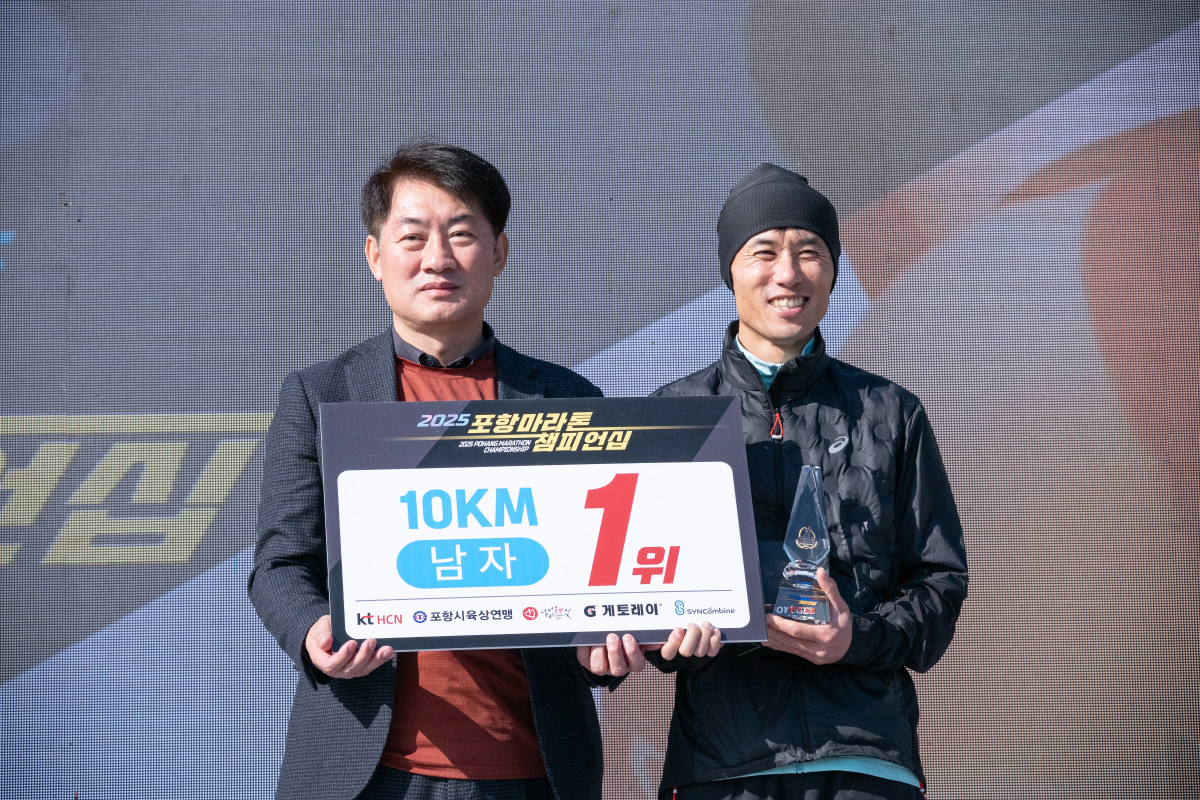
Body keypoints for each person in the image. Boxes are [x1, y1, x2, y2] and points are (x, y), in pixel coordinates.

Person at [248, 142, 717, 800]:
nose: (438, 258)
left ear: (499, 252)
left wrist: (609, 650)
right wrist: (312, 630)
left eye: (462, 234)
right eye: (412, 237)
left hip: (533, 773)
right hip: (366, 772)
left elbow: (603, 584)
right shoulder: (322, 397)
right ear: (375, 256)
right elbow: (279, 562)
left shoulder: (567, 401)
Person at [649, 163, 969, 800]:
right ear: (731, 270)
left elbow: (939, 584)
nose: (788, 274)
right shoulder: (671, 417)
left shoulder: (891, 412)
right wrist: (663, 639)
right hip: (722, 764)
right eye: (764, 252)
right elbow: (638, 593)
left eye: (810, 252)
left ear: (833, 269)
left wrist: (856, 638)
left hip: (866, 762)